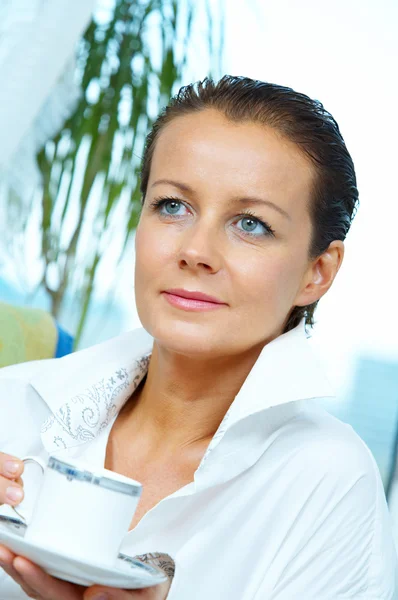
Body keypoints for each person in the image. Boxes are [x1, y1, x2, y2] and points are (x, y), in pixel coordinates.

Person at [0, 75, 397, 600]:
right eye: (172, 206)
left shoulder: (328, 482)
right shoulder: (12, 403)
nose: (196, 250)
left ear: (317, 272)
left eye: (251, 224)